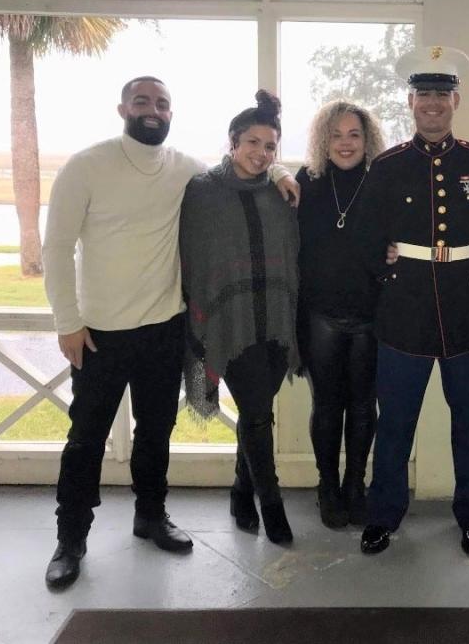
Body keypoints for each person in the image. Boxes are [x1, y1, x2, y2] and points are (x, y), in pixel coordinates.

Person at [42, 76, 296, 589]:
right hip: (99, 333)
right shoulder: (87, 165)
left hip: (163, 328)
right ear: (123, 108)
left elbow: (244, 167)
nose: (152, 110)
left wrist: (284, 168)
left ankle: (150, 517)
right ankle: (71, 539)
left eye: (161, 103)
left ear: (171, 113)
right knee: (85, 438)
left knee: (156, 433)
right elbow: (56, 247)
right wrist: (67, 321)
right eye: (142, 101)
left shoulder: (184, 169)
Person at [355, 46, 469, 556]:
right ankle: (383, 515)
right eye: (424, 96)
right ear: (410, 102)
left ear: (455, 100)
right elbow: (366, 230)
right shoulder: (390, 164)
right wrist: (383, 263)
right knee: (394, 421)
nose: (433, 105)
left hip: (462, 308)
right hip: (404, 310)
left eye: (442, 95)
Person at [179, 90, 300, 546]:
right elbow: (194, 258)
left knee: (256, 410)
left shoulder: (279, 191)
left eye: (270, 147)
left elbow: (292, 253)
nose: (261, 153)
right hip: (230, 326)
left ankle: (239, 492)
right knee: (255, 413)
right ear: (232, 142)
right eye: (252, 142)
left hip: (275, 321)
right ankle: (272, 506)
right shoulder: (203, 192)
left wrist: (283, 171)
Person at [296, 101, 386, 528]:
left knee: (365, 406)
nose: (346, 143)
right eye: (337, 135)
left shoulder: (383, 181)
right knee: (327, 405)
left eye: (354, 135)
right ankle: (327, 486)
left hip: (372, 316)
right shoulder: (306, 182)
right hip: (321, 316)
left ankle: (356, 485)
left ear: (367, 141)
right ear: (322, 140)